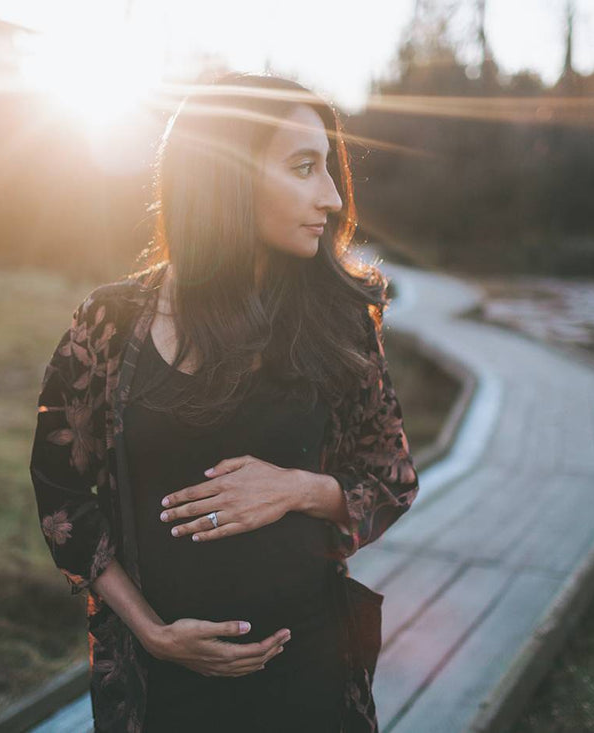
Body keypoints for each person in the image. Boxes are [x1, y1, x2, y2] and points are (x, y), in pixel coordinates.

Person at [29, 71, 419, 733]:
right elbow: (62, 496)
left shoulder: (338, 320)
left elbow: (391, 480)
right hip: (162, 695)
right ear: (225, 175)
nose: (329, 196)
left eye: (329, 170)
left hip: (311, 686)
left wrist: (297, 487)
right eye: (304, 168)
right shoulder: (110, 324)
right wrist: (152, 631)